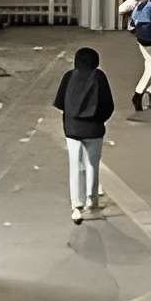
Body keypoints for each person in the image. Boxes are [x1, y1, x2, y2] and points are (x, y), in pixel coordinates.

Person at [52, 45, 115, 222]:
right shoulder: (99, 77)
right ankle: (91, 201)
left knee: (75, 164)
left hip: (72, 129)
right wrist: (99, 120)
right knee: (92, 165)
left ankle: (76, 206)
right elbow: (108, 105)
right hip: (94, 129)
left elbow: (60, 103)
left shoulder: (69, 77)